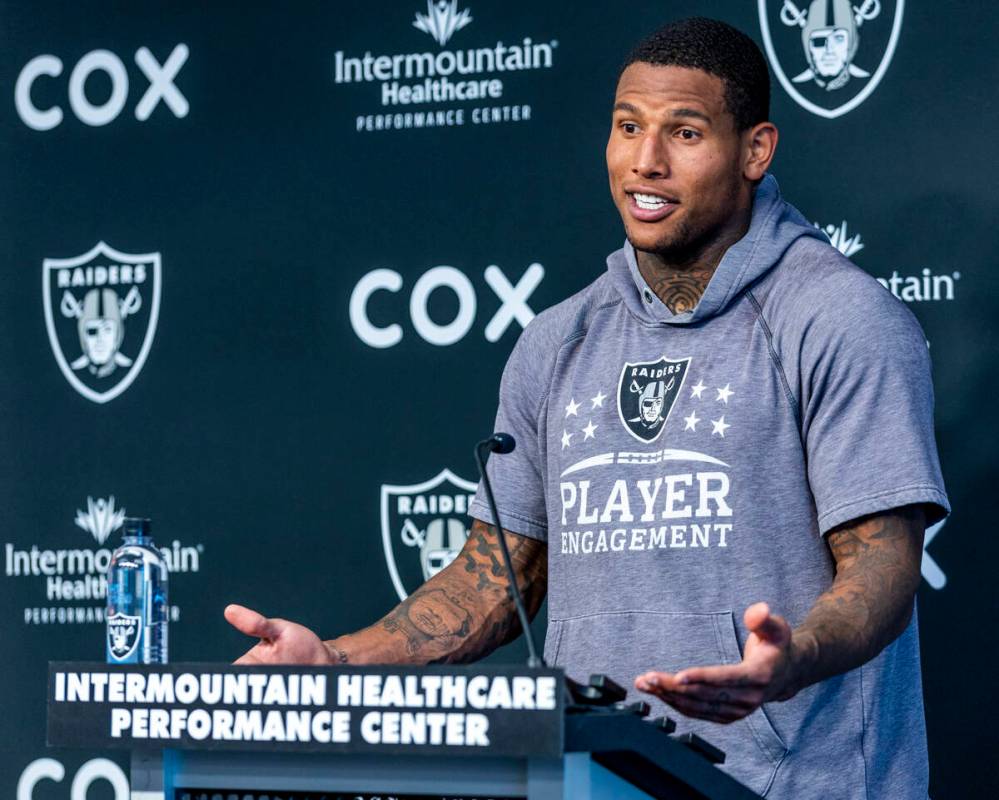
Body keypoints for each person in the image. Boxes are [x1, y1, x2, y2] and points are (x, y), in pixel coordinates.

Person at [225, 17, 948, 799]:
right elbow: (494, 580)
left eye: (685, 133)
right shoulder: (556, 340)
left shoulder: (838, 317)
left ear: (754, 150)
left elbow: (881, 564)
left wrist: (791, 660)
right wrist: (332, 666)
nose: (646, 161)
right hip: (591, 782)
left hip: (796, 785)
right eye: (627, 127)